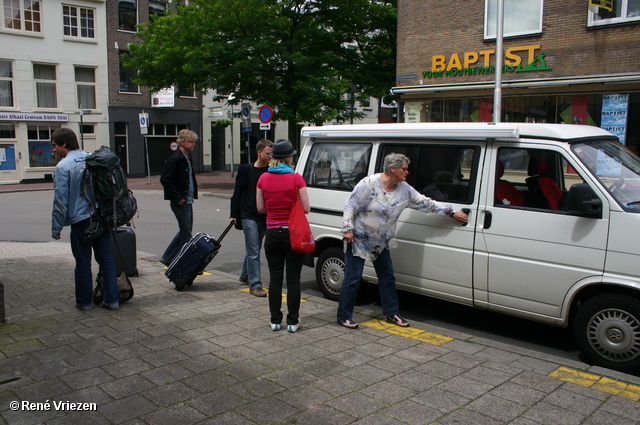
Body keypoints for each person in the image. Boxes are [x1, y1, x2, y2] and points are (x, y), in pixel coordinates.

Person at [337, 153, 468, 329]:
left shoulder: (404, 189)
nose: (407, 172)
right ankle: (343, 315)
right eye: (404, 169)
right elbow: (350, 205)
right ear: (393, 169)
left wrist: (451, 213)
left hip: (381, 240)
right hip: (359, 237)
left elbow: (426, 203)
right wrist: (347, 229)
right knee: (353, 278)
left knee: (387, 276)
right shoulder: (369, 184)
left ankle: (391, 313)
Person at [50, 128, 119, 311]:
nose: (54, 149)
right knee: (106, 259)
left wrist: (56, 228)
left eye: (55, 145)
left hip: (81, 221)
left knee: (82, 261)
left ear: (64, 144)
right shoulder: (93, 158)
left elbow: (60, 201)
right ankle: (112, 300)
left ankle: (84, 302)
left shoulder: (63, 167)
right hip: (102, 217)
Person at [256, 139, 310, 333]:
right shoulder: (296, 178)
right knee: (294, 279)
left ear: (273, 157)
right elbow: (306, 208)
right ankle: (293, 322)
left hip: (271, 233)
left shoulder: (263, 179)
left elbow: (261, 208)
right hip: (292, 234)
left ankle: (275, 321)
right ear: (289, 157)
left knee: (275, 278)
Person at [230, 139, 273, 297]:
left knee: (254, 247)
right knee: (254, 250)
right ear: (259, 152)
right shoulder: (245, 170)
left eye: (272, 153)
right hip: (248, 214)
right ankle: (255, 285)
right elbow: (237, 193)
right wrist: (234, 214)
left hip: (264, 216)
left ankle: (245, 274)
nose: (270, 156)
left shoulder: (271, 171)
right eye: (268, 153)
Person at [159, 129, 199, 266]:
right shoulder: (176, 158)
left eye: (194, 141)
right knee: (186, 234)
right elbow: (165, 179)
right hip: (181, 201)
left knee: (185, 230)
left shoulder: (188, 157)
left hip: (188, 199)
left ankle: (167, 257)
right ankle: (181, 263)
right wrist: (177, 197)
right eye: (190, 141)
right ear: (182, 142)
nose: (193, 144)